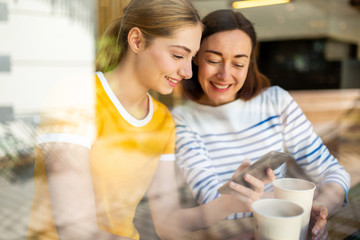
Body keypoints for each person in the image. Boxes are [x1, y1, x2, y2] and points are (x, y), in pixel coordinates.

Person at [26, 1, 275, 239]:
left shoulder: (162, 120)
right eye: (178, 56)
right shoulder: (77, 95)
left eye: (192, 58)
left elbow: (167, 224)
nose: (188, 71)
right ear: (136, 41)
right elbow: (75, 229)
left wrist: (229, 202)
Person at [172, 9, 350, 240]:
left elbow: (334, 173)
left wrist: (319, 209)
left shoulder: (276, 102)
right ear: (196, 58)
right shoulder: (181, 119)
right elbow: (214, 203)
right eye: (213, 60)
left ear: (250, 64)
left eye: (238, 64)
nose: (225, 74)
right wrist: (298, 205)